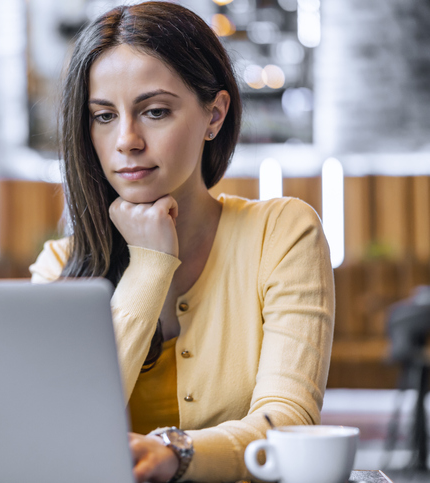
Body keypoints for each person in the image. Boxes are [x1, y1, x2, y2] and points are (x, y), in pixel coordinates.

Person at [29, 2, 334, 482]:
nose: (126, 140)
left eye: (154, 111)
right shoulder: (58, 268)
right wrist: (149, 267)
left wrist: (179, 454)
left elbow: (288, 420)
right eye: (103, 116)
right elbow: (52, 435)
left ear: (214, 115)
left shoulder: (282, 233)